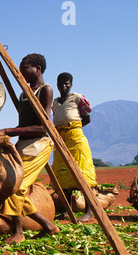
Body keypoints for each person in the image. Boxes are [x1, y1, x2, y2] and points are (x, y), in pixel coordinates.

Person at [0, 54, 60, 244]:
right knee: (9, 185)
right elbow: (24, 122)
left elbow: (43, 127)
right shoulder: (25, 93)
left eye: (25, 68)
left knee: (17, 188)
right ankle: (48, 226)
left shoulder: (45, 90)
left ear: (38, 68)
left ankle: (19, 232)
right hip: (23, 145)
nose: (21, 73)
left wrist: (9, 130)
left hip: (38, 145)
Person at [52, 72, 97, 221]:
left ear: (71, 84)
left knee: (82, 172)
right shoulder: (55, 103)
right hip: (60, 140)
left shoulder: (77, 98)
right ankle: (67, 210)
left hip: (75, 138)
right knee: (63, 173)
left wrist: (72, 129)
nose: (64, 86)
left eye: (67, 83)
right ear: (57, 85)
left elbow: (87, 119)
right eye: (61, 83)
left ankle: (89, 212)